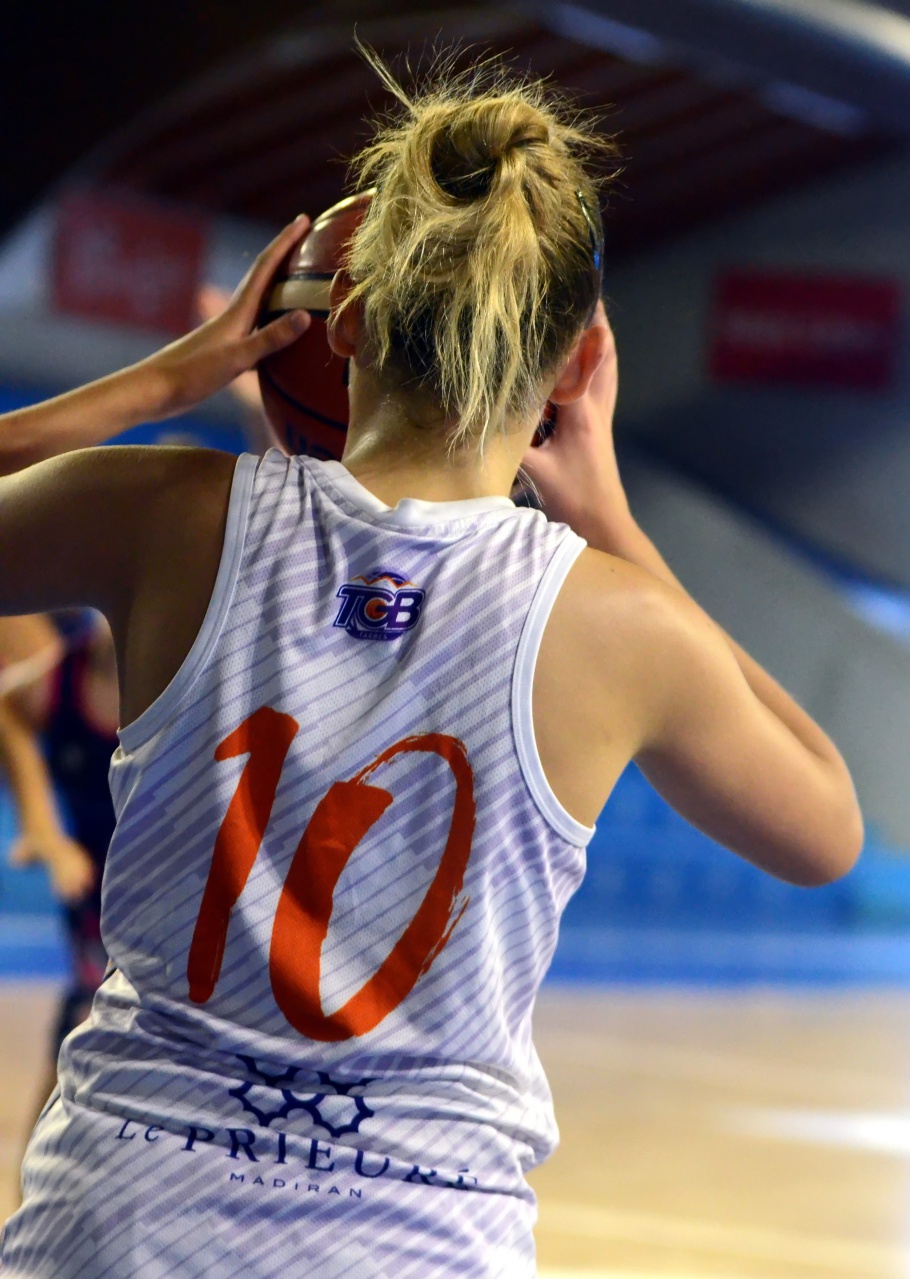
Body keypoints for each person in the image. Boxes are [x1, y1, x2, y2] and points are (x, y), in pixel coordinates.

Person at [0, 55, 861, 1279]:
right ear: (576, 370)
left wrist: (156, 384)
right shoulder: (619, 625)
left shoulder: (162, 512)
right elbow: (825, 826)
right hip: (414, 1239)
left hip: (121, 1222)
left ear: (342, 318)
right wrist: (610, 520)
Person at [0, 612, 118, 1150]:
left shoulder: (175, 678)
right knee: (84, 1018)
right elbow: (7, 705)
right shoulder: (62, 675)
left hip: (159, 878)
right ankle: (32, 1173)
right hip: (93, 885)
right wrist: (42, 827)